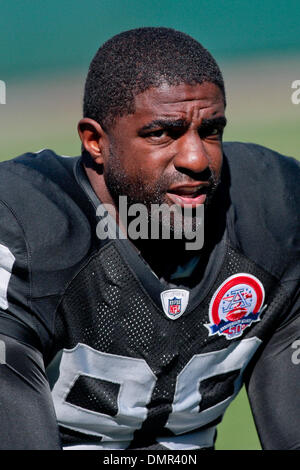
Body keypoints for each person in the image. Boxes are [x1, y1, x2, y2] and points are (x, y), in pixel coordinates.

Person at [0, 27, 299, 451]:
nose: (197, 159)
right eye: (162, 133)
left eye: (211, 130)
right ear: (95, 141)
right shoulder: (26, 228)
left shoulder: (274, 213)